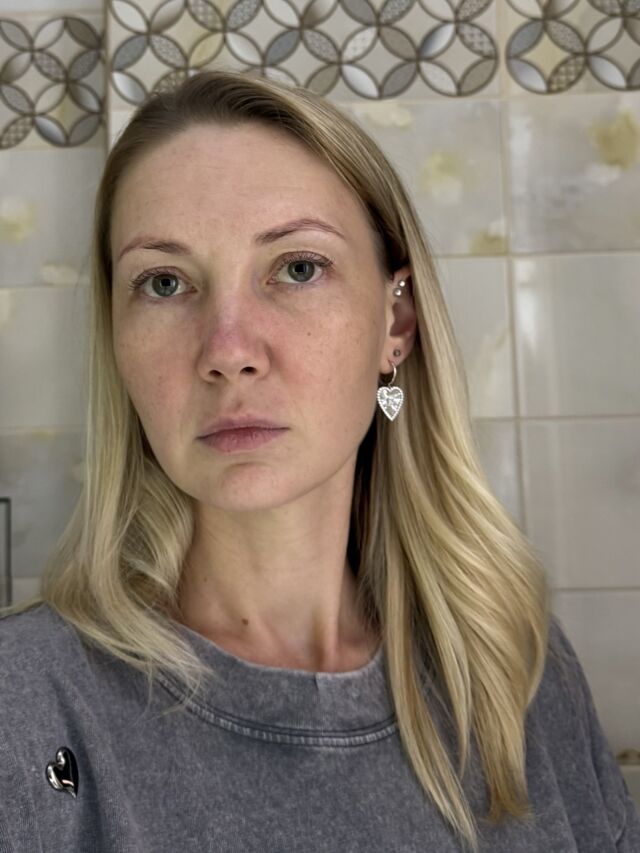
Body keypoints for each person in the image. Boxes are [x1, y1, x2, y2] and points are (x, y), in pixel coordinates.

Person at [0, 69, 638, 853]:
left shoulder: (515, 666)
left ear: (395, 323)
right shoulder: (24, 710)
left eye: (297, 267)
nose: (229, 349)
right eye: (164, 282)